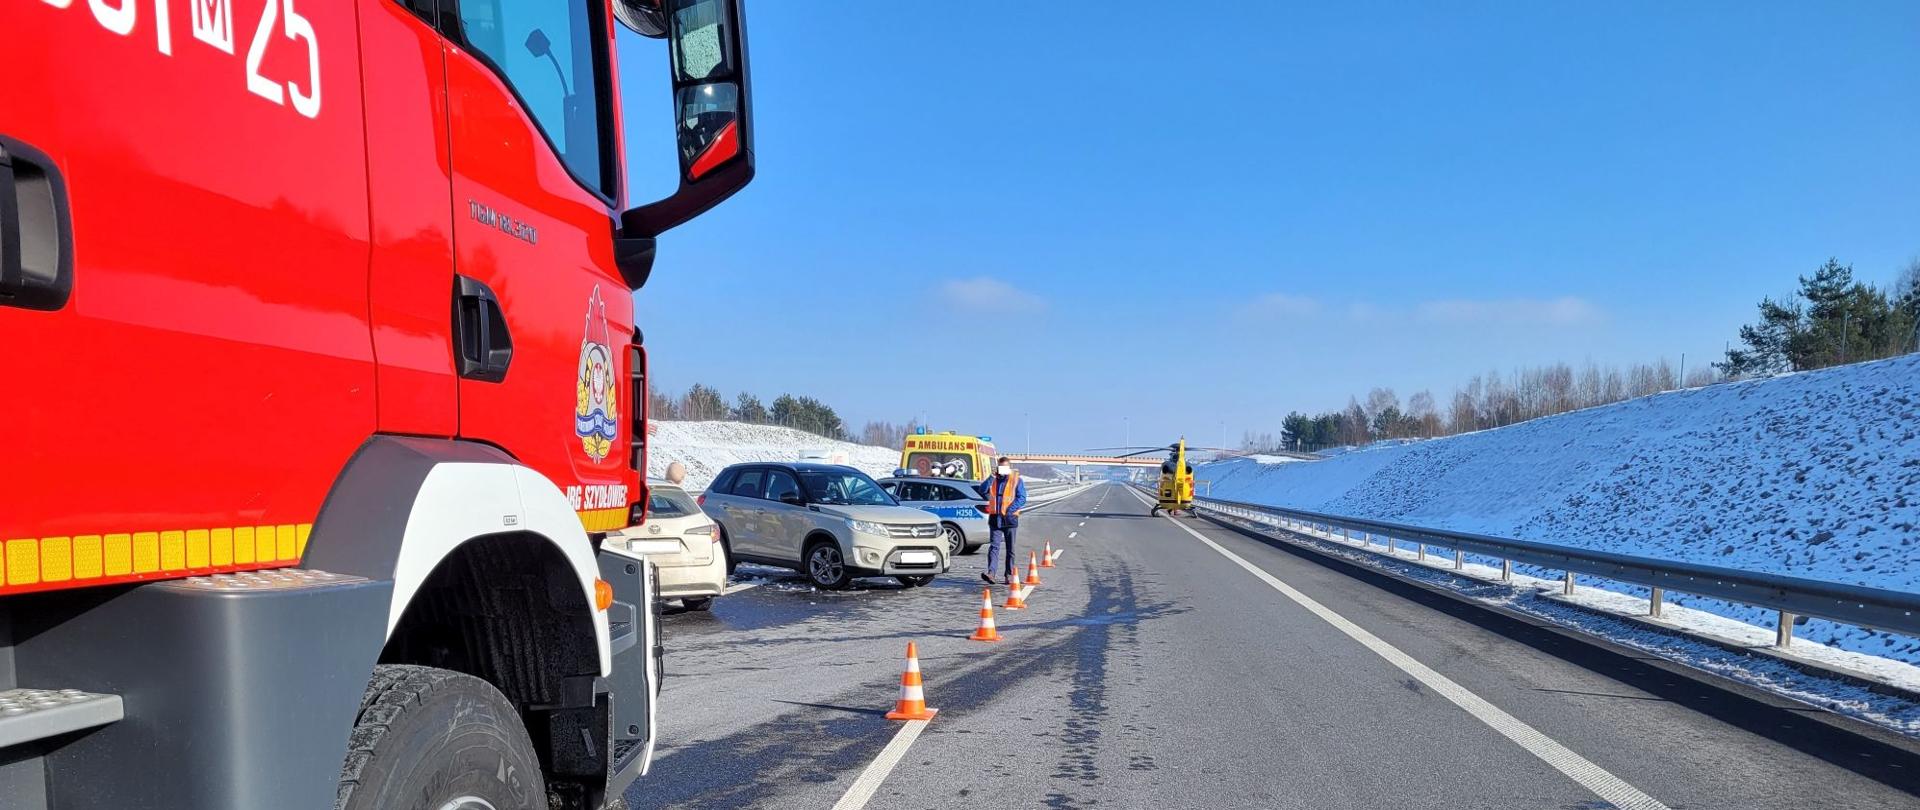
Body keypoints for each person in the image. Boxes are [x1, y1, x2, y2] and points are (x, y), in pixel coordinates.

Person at [974, 457, 1026, 584]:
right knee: (994, 547)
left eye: (1005, 467)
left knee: (1010, 549)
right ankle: (991, 573)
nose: (1003, 469)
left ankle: (1009, 575)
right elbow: (982, 490)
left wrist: (1009, 510)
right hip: (995, 518)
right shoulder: (994, 479)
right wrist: (991, 477)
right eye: (1001, 467)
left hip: (1009, 518)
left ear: (1009, 467)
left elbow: (1022, 498)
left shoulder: (1016, 480)